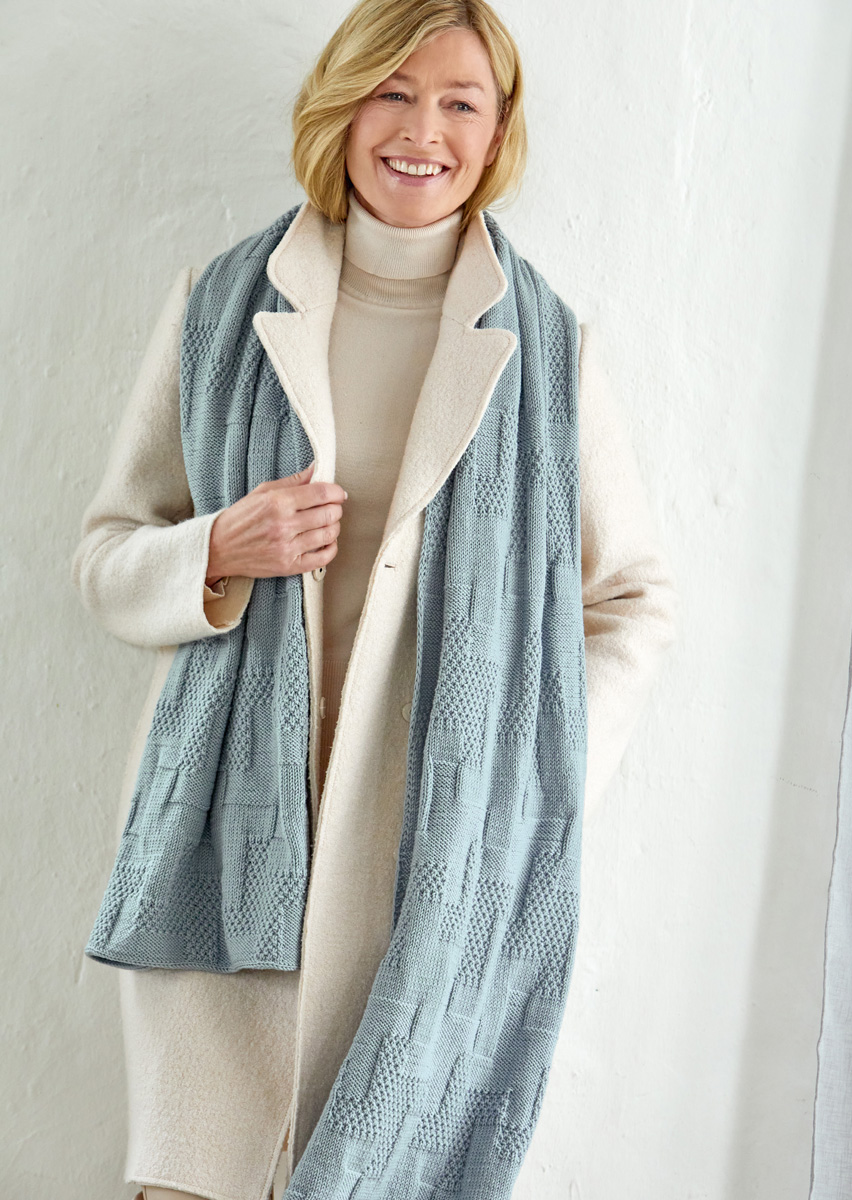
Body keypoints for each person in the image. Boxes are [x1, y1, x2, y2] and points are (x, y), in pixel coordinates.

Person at [71, 2, 679, 1198]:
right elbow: (107, 553)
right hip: (223, 852)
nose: (421, 130)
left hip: (419, 867)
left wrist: (526, 771)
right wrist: (216, 547)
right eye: (391, 93)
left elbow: (630, 599)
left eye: (458, 102)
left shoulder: (547, 351)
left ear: (496, 130)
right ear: (341, 105)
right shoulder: (219, 305)